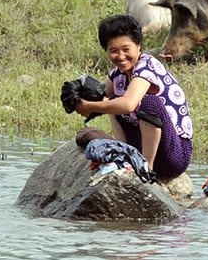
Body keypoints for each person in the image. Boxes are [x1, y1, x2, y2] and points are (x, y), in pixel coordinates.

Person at [75, 14, 193, 180]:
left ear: (138, 46)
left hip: (173, 155)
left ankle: (146, 167)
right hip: (141, 144)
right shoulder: (118, 75)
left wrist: (90, 106)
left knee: (148, 103)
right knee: (102, 115)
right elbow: (98, 95)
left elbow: (129, 104)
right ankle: (125, 153)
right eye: (113, 51)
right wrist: (77, 96)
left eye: (126, 49)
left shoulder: (147, 66)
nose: (121, 56)